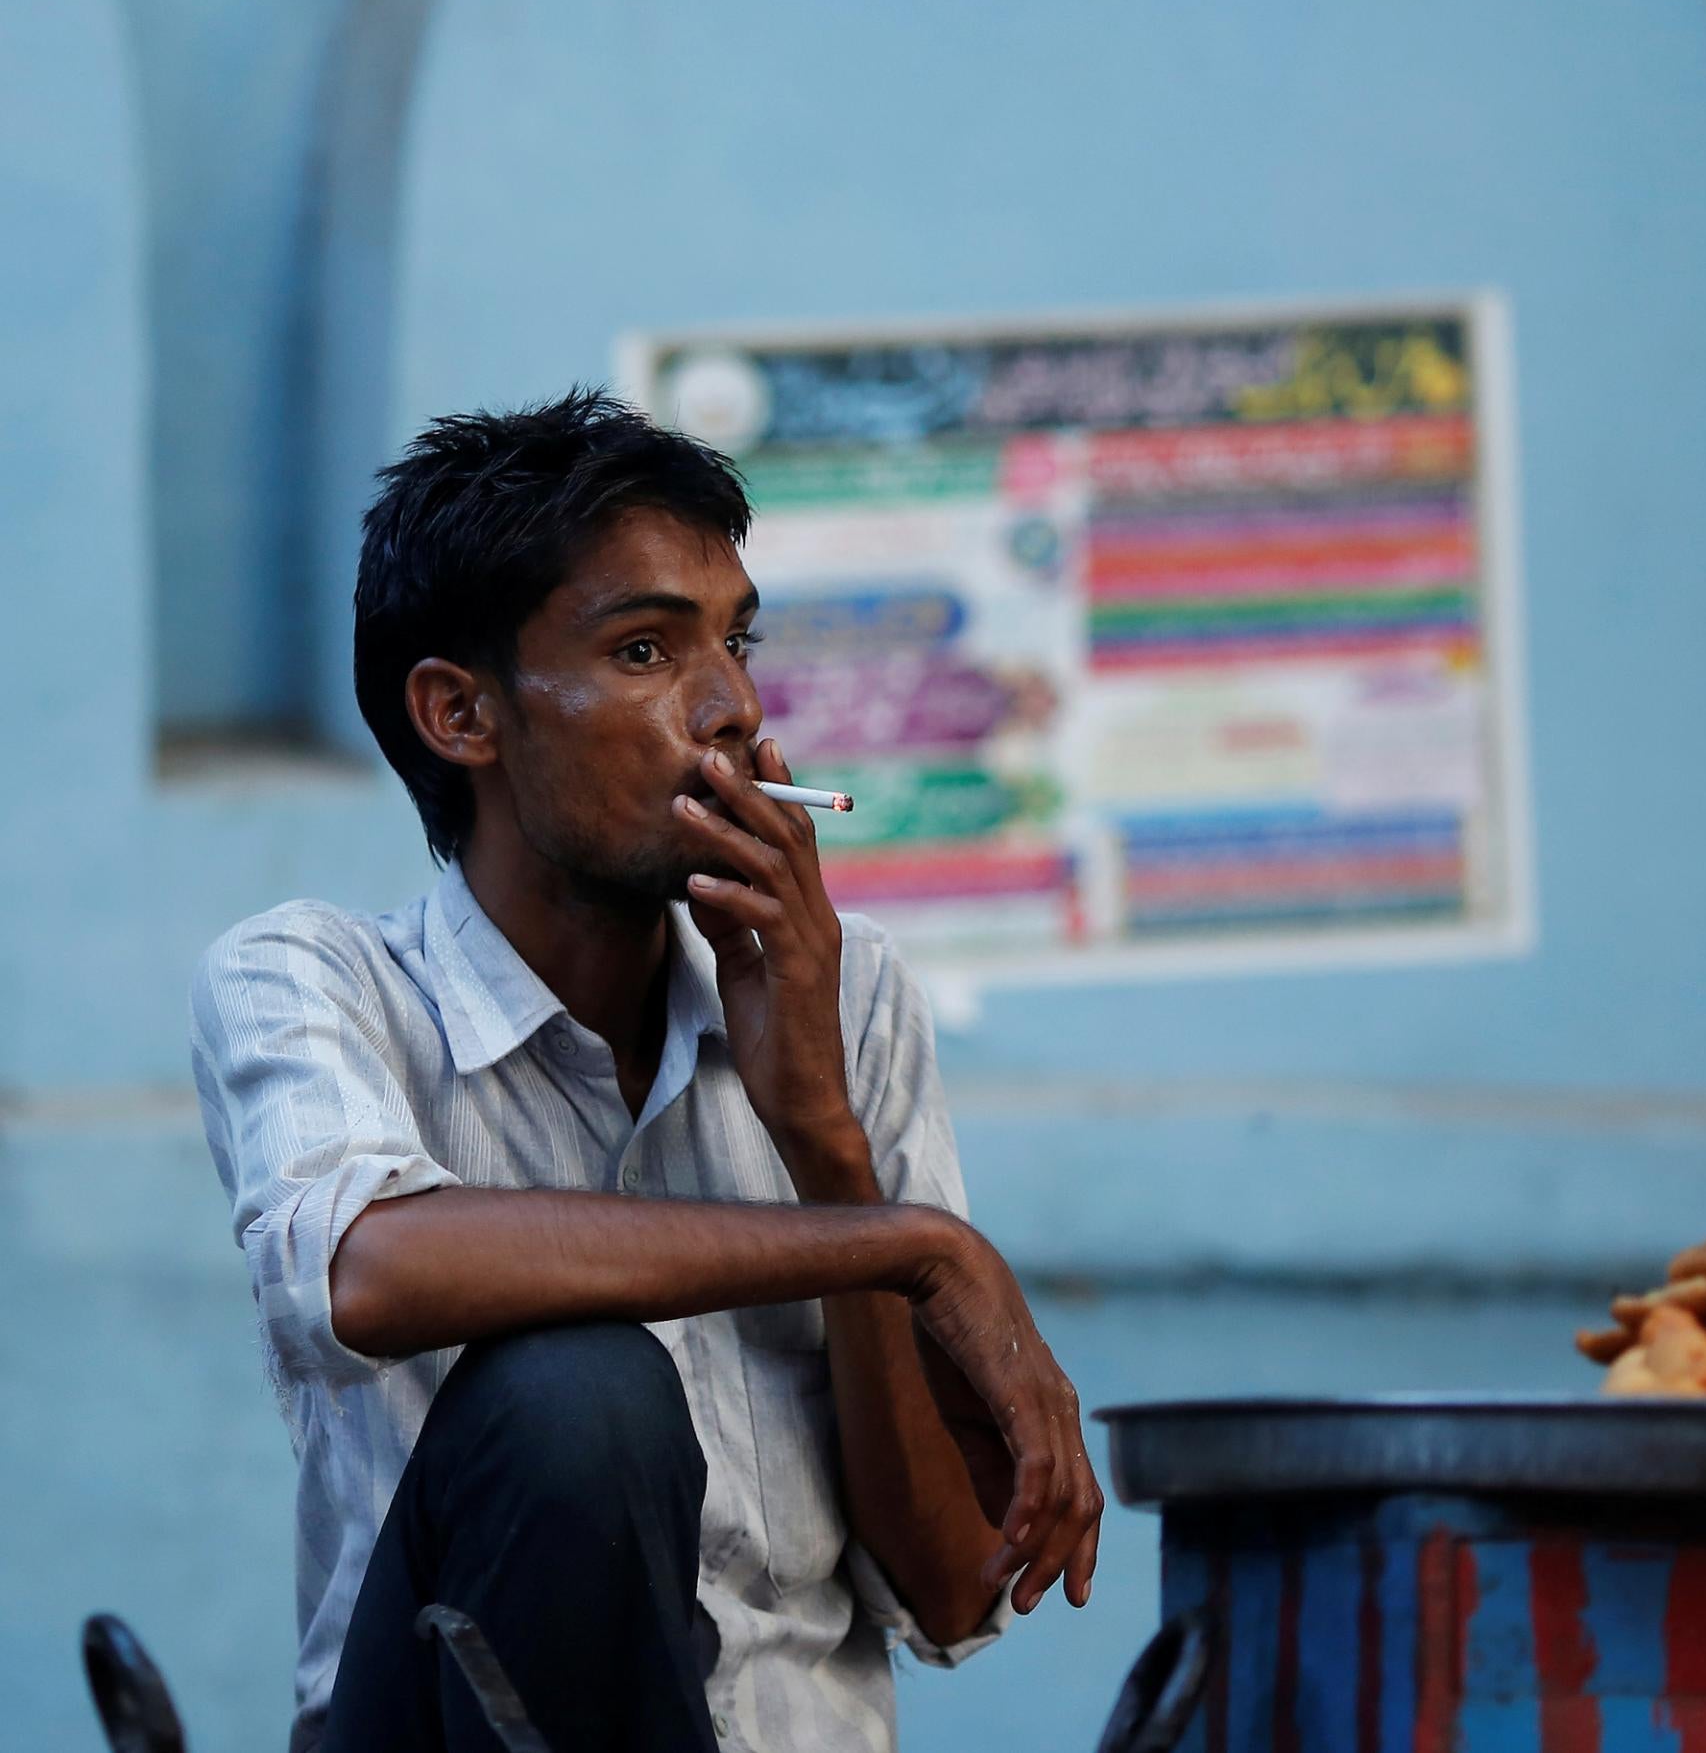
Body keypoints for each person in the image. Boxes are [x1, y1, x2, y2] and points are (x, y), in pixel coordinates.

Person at [189, 390, 1102, 1753]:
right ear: (461, 714)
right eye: (643, 651)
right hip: (434, 1734)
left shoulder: (849, 1002)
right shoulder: (314, 981)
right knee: (580, 1391)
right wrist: (913, 1246)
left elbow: (959, 1585)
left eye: (735, 644)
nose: (730, 710)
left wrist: (825, 1146)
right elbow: (365, 1266)